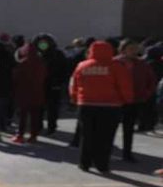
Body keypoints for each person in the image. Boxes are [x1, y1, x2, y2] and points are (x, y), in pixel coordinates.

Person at [69, 41, 134, 173]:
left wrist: (75, 98)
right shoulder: (116, 66)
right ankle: (102, 165)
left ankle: (84, 163)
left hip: (86, 105)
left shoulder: (82, 66)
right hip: (110, 106)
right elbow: (124, 85)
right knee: (105, 137)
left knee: (87, 135)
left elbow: (73, 85)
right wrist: (127, 100)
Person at [114, 38, 155, 162]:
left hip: (134, 100)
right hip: (115, 101)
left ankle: (127, 153)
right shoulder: (114, 63)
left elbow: (151, 81)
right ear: (123, 50)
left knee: (129, 128)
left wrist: (146, 94)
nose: (133, 52)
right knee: (110, 128)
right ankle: (106, 151)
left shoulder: (142, 64)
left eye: (135, 49)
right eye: (131, 49)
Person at [11, 41, 47, 143]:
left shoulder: (22, 64)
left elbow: (15, 78)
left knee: (22, 116)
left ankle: (20, 135)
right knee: (35, 116)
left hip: (24, 93)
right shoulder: (41, 63)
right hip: (38, 93)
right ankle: (33, 136)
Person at [33, 33, 68, 134]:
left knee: (49, 108)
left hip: (51, 84)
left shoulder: (56, 54)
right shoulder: (36, 54)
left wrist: (59, 82)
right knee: (43, 107)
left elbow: (64, 69)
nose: (43, 45)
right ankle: (44, 126)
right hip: (44, 85)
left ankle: (49, 126)